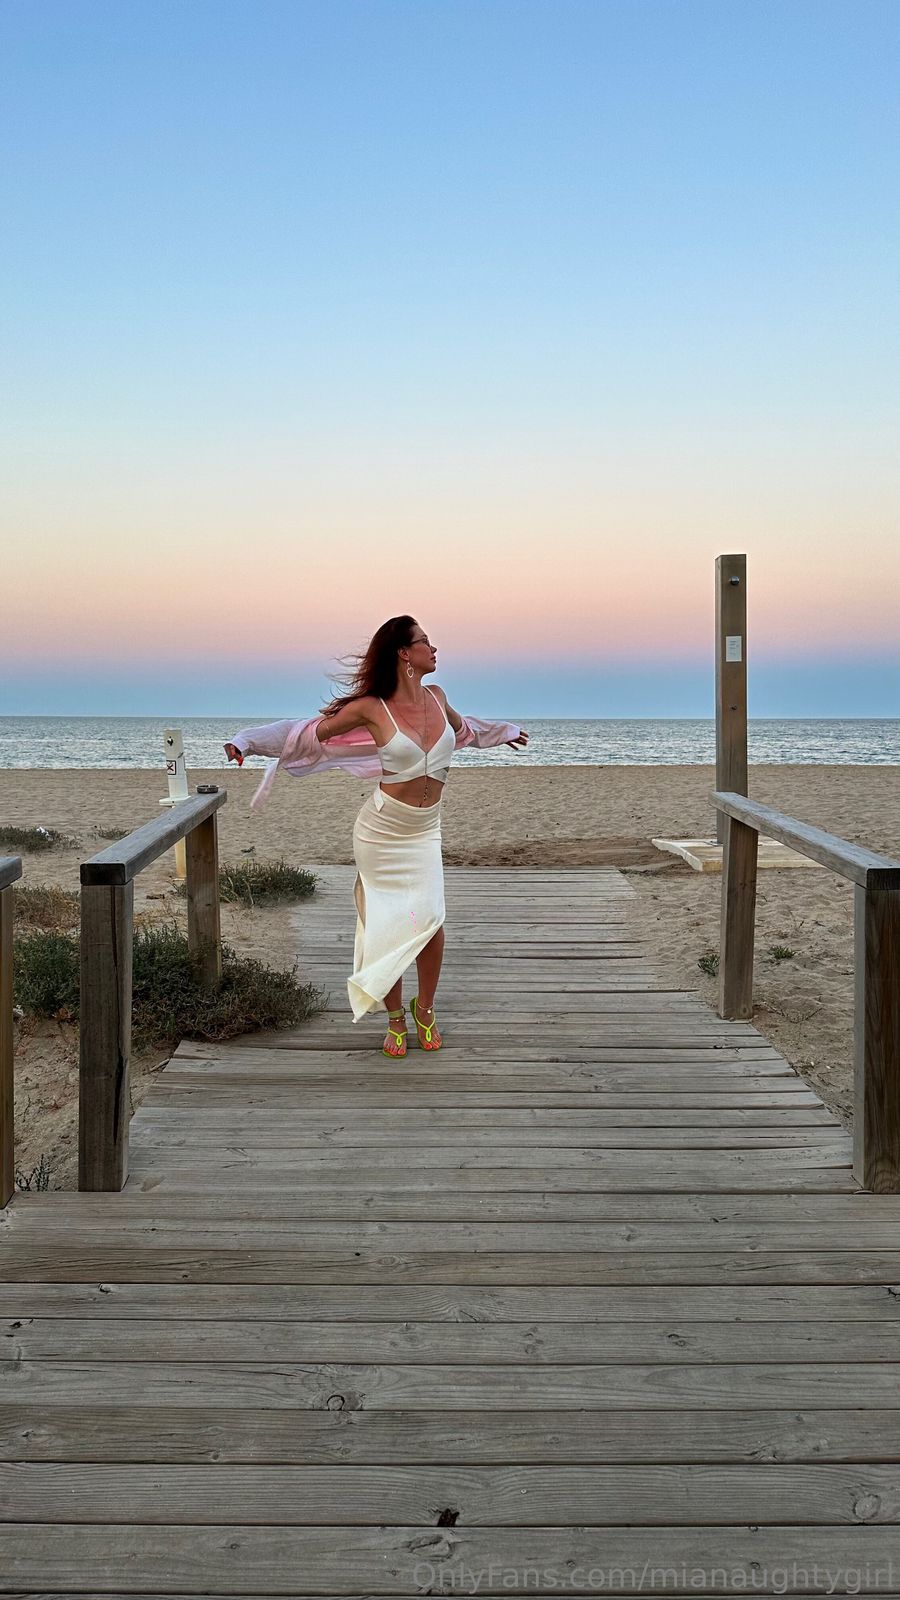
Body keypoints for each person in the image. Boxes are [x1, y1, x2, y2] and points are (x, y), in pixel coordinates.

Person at [224, 615, 528, 1056]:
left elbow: (467, 731)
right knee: (388, 925)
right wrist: (247, 741)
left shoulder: (438, 697)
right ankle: (394, 1018)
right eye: (425, 641)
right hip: (381, 832)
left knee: (431, 920)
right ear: (404, 653)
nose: (433, 648)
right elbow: (305, 733)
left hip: (424, 831)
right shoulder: (372, 708)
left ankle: (425, 1009)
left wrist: (506, 733)